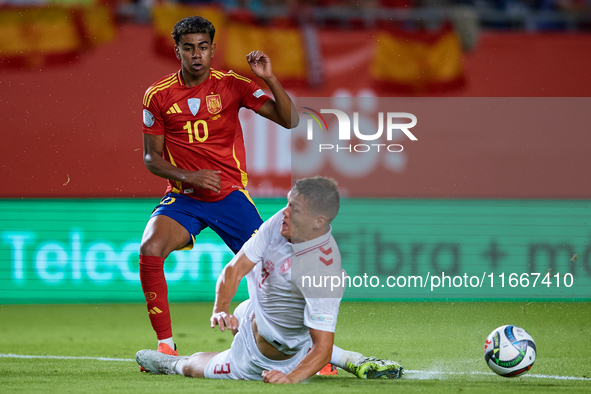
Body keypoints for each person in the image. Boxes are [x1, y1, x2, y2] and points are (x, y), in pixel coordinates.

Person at [136, 176, 404, 383]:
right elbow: (234, 270)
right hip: (256, 311)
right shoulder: (281, 222)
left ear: (317, 221)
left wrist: (289, 377)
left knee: (194, 367)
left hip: (260, 357)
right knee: (241, 316)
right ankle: (349, 358)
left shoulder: (323, 273)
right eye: (288, 202)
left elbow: (323, 346)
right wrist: (220, 309)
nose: (285, 211)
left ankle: (170, 364)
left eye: (294, 208)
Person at [139, 15, 299, 358]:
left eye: (203, 47)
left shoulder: (232, 85)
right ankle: (166, 345)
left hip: (228, 196)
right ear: (177, 51)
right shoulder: (158, 96)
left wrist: (269, 78)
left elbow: (290, 120)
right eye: (188, 48)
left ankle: (305, 349)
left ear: (212, 49)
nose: (196, 54)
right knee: (150, 250)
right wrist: (189, 177)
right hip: (183, 198)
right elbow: (152, 159)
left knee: (273, 269)